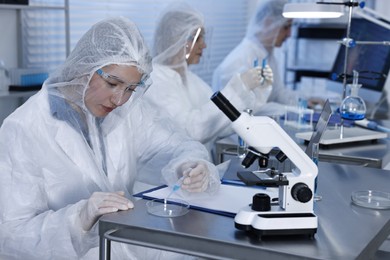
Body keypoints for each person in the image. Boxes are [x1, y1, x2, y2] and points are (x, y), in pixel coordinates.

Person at [0, 17, 220, 259]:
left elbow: (178, 145)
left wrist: (189, 165)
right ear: (85, 66)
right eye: (112, 83)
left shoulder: (129, 111)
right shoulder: (23, 129)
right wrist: (80, 219)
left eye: (131, 89)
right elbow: (11, 236)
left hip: (124, 245)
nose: (119, 100)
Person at [143, 1, 274, 162]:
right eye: (197, 38)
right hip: (161, 181)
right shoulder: (156, 81)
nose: (204, 45)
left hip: (195, 174)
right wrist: (238, 87)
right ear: (176, 39)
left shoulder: (192, 81)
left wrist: (255, 91)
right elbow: (192, 131)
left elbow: (220, 124)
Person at [212, 0, 296, 115]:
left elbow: (277, 93)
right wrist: (295, 111)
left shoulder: (267, 56)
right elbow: (250, 109)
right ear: (268, 23)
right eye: (286, 27)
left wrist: (303, 103)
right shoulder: (239, 61)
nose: (290, 34)